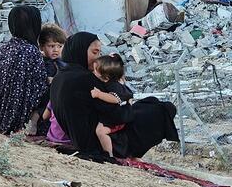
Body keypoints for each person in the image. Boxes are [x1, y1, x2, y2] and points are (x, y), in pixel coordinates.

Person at [50, 32, 179, 159]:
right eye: (94, 53)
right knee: (161, 109)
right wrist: (127, 106)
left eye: (99, 53)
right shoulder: (84, 79)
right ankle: (127, 153)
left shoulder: (60, 77)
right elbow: (114, 112)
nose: (98, 58)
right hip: (101, 142)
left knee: (149, 103)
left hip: (87, 137)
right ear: (80, 51)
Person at [0, 5, 48, 135]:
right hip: (17, 120)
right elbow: (40, 90)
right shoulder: (31, 51)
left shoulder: (1, 49)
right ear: (34, 26)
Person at [89, 54, 134, 157]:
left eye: (96, 70)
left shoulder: (114, 86)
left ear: (106, 76)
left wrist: (99, 94)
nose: (93, 71)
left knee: (101, 132)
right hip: (119, 115)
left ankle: (109, 154)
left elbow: (115, 99)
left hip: (117, 118)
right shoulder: (116, 82)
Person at [31, 24, 66, 136]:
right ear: (41, 47)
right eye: (51, 46)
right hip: (45, 96)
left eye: (59, 46)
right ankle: (33, 122)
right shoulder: (42, 63)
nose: (56, 50)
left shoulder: (62, 62)